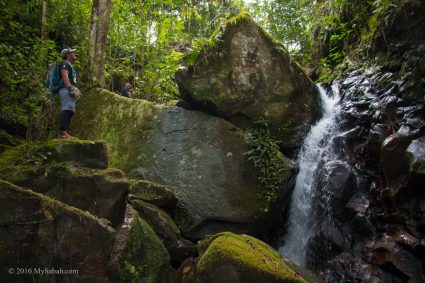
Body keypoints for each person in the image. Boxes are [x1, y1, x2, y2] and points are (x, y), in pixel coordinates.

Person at [58, 48, 79, 138]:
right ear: (68, 55)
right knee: (67, 109)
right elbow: (64, 76)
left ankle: (64, 131)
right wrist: (70, 89)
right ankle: (63, 132)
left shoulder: (69, 65)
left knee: (70, 110)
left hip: (69, 90)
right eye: (72, 53)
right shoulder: (65, 64)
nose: (74, 54)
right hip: (66, 90)